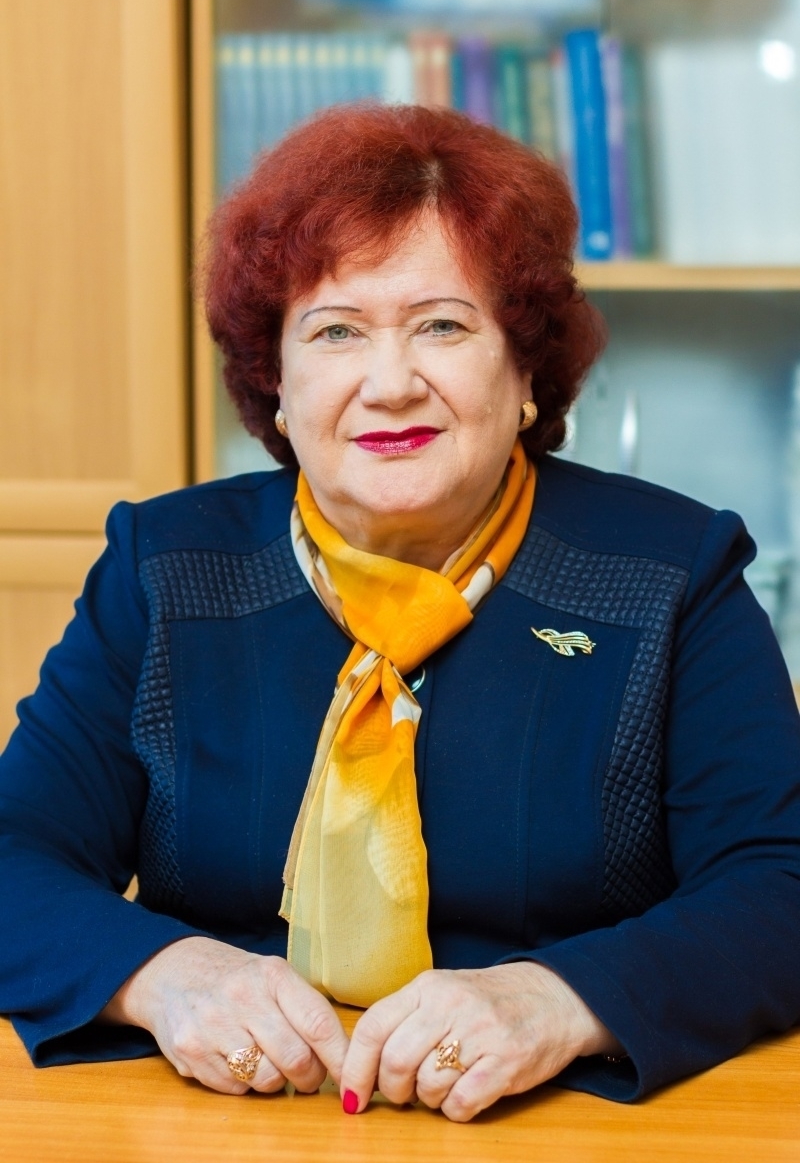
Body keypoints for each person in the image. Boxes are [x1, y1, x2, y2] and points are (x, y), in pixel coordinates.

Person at [1, 104, 800, 1124]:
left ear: (523, 369)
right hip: (223, 1119)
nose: (389, 384)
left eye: (442, 326)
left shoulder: (668, 574)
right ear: (275, 382)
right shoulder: (165, 568)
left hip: (552, 1119)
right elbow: (14, 855)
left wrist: (561, 1000)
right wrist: (163, 976)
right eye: (335, 331)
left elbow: (776, 885)